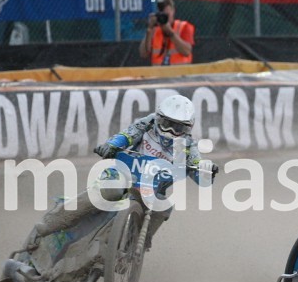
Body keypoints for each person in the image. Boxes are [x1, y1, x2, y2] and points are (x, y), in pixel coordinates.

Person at [27, 96, 218, 253]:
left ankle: (139, 242)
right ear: (159, 118)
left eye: (178, 128)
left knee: (165, 207)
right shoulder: (147, 124)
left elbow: (198, 169)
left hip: (152, 190)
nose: (170, 131)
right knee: (110, 189)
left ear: (188, 128)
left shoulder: (187, 145)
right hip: (122, 175)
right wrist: (111, 146)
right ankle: (49, 224)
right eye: (167, 124)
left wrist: (207, 171)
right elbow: (126, 135)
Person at [139, 0, 195, 66]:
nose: (165, 18)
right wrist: (149, 29)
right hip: (159, 71)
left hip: (179, 71)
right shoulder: (154, 30)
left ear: (173, 11)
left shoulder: (183, 27)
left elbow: (186, 52)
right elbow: (143, 54)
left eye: (167, 15)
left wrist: (171, 33)